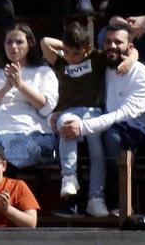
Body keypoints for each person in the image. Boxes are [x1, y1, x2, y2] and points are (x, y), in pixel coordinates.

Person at [53, 18, 145, 218]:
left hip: (138, 133)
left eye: (118, 42)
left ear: (130, 47)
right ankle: (76, 202)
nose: (112, 46)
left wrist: (84, 126)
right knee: (66, 132)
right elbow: (80, 95)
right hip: (102, 125)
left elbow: (125, 113)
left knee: (110, 137)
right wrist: (58, 114)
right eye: (108, 42)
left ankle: (118, 201)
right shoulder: (104, 68)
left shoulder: (143, 75)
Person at [0, 23, 58, 167]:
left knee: (10, 152)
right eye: (9, 42)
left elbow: (46, 106)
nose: (13, 46)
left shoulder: (43, 72)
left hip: (30, 134)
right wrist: (5, 88)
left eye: (19, 42)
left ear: (30, 44)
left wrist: (20, 85)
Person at [39, 13, 106, 207]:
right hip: (69, 112)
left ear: (87, 49)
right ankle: (69, 177)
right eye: (67, 52)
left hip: (92, 113)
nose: (71, 57)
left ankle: (96, 197)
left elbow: (129, 53)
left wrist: (84, 47)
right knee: (65, 125)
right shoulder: (61, 62)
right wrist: (66, 47)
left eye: (76, 53)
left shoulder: (96, 59)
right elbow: (44, 42)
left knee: (97, 151)